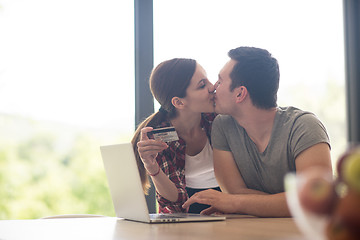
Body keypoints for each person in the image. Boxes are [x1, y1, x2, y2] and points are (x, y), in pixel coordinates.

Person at [182, 47, 332, 217]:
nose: (213, 87)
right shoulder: (222, 126)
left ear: (240, 93)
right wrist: (289, 202)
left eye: (220, 81)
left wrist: (235, 203)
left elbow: (316, 200)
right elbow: (233, 192)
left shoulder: (304, 126)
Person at [131, 58, 221, 214]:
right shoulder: (159, 137)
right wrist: (152, 168)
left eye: (207, 80)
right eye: (202, 85)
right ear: (178, 102)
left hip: (226, 207)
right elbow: (176, 204)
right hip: (184, 218)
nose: (212, 87)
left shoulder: (217, 120)